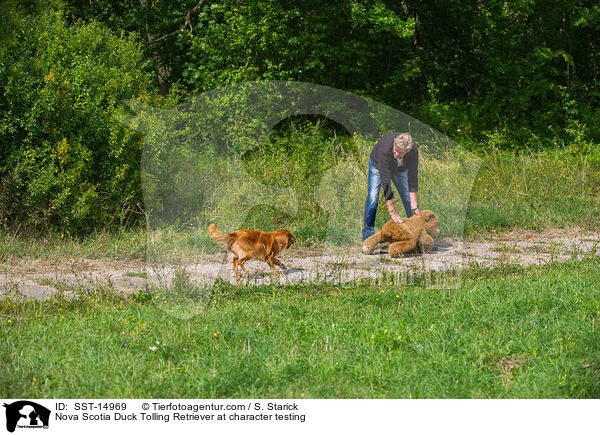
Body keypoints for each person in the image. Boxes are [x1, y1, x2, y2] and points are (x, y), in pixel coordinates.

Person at [362, 132, 420, 242]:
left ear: (407, 151)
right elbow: (386, 181)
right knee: (373, 197)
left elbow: (413, 177)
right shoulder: (385, 148)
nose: (396, 153)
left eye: (400, 152)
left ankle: (415, 234)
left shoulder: (413, 150)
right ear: (394, 143)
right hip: (378, 167)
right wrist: (392, 211)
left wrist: (415, 206)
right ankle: (368, 236)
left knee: (408, 198)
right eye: (395, 150)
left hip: (400, 169)